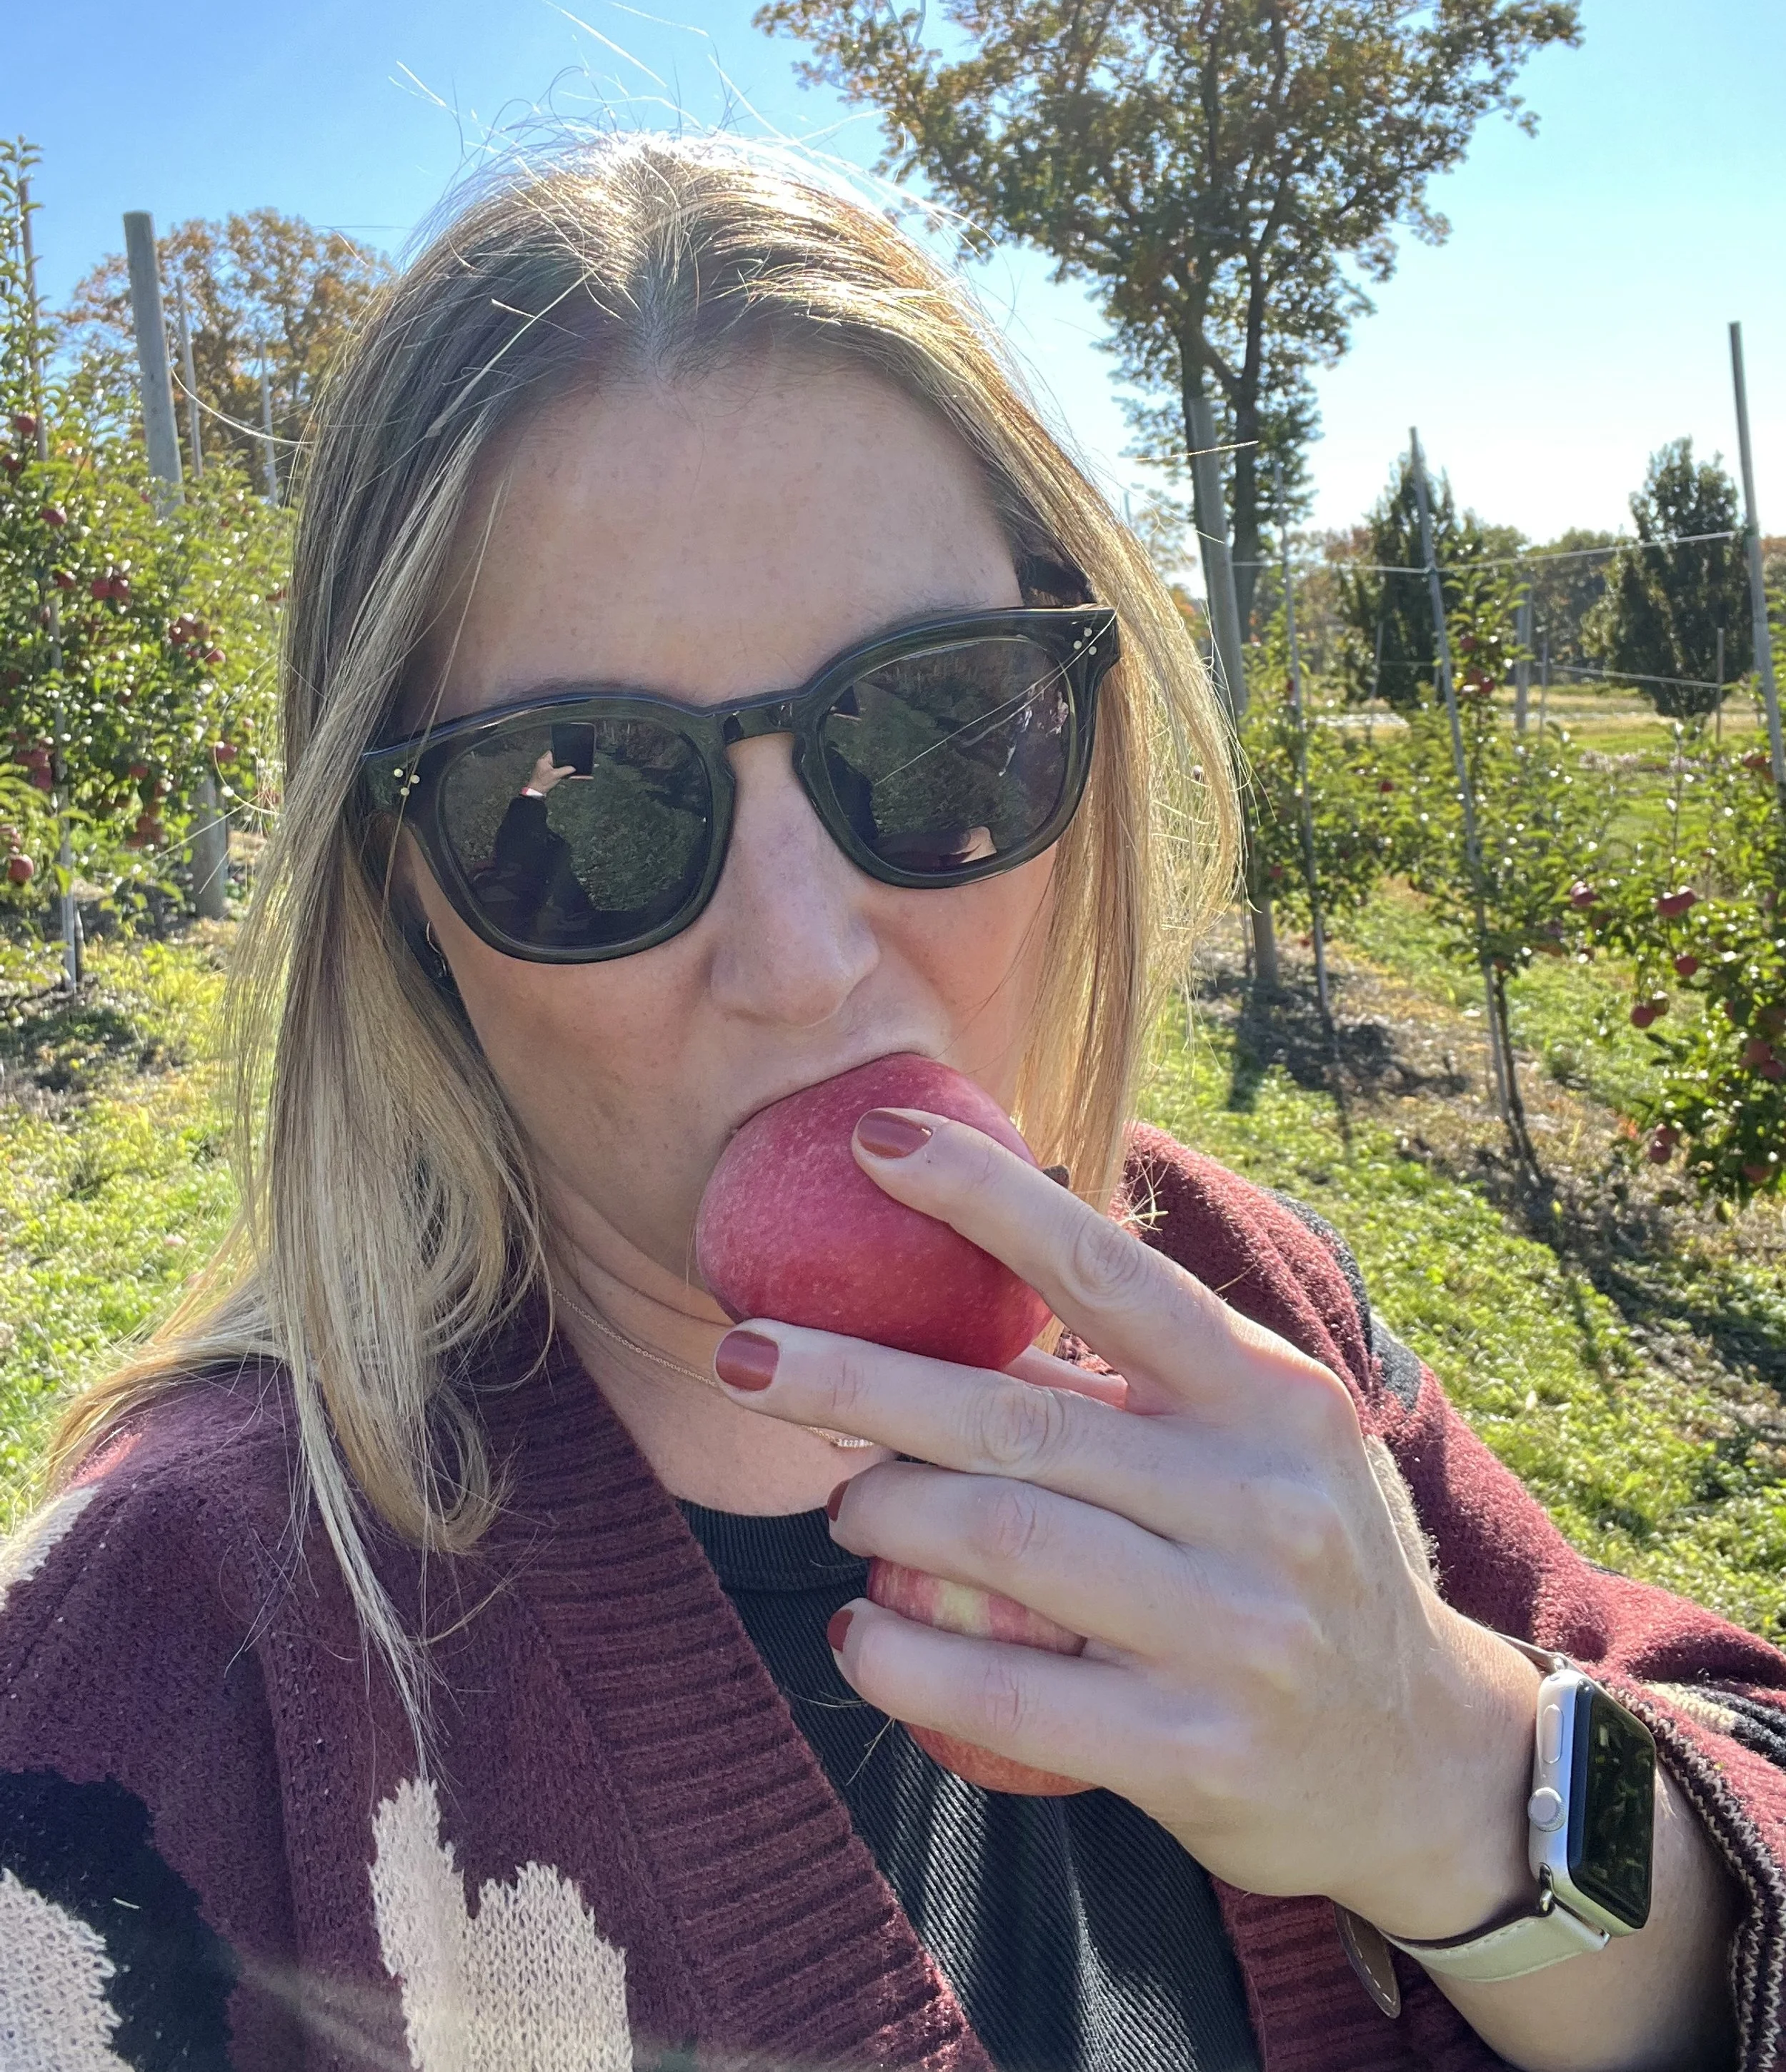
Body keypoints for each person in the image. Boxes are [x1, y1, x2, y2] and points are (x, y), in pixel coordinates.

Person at [0, 136, 1780, 2072]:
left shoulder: (1240, 1307)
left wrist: (1453, 1771)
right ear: (401, 900)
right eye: (578, 800)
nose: (803, 952)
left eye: (934, 721)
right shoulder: (150, 1670)